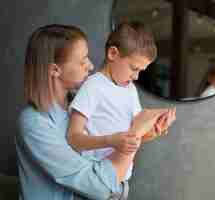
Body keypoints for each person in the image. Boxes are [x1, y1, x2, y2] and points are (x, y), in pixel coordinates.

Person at [16, 24, 163, 200]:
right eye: (83, 60)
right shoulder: (34, 123)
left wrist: (144, 134)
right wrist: (135, 133)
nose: (91, 66)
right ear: (55, 70)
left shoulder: (80, 108)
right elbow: (98, 188)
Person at [67, 22, 176, 199]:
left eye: (141, 71)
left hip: (121, 184)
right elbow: (73, 138)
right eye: (134, 68)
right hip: (96, 182)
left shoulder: (130, 89)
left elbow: (131, 137)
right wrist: (111, 140)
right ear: (113, 53)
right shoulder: (93, 86)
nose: (136, 76)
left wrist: (153, 131)